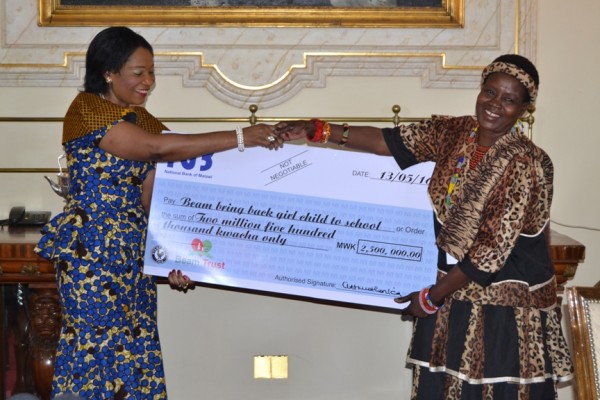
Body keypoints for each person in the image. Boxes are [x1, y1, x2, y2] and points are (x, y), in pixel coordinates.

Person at [275, 54, 573, 399]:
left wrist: (431, 298)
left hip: (506, 314)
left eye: (509, 100)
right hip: (452, 293)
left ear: (524, 109)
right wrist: (318, 130)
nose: (495, 105)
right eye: (490, 93)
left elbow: (489, 253)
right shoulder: (455, 133)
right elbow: (386, 141)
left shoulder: (527, 163)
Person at [34, 26, 282, 399]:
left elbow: (161, 195)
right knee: (95, 352)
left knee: (137, 350)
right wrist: (243, 137)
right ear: (108, 72)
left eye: (152, 72)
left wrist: (178, 259)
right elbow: (157, 150)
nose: (148, 81)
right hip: (92, 254)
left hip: (132, 255)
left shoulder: (141, 119)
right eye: (138, 72)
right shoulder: (86, 109)